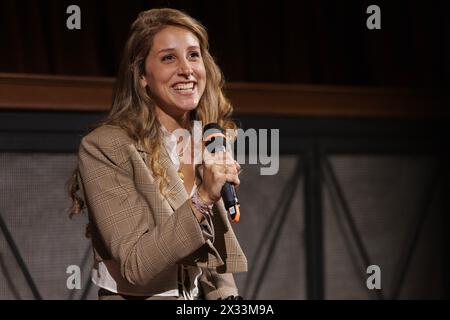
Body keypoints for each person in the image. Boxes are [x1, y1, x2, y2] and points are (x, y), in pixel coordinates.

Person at [67, 8, 247, 300]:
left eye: (193, 55)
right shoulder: (105, 147)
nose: (186, 69)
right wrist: (201, 198)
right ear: (141, 76)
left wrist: (228, 300)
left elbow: (212, 256)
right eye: (168, 58)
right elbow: (136, 265)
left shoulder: (206, 139)